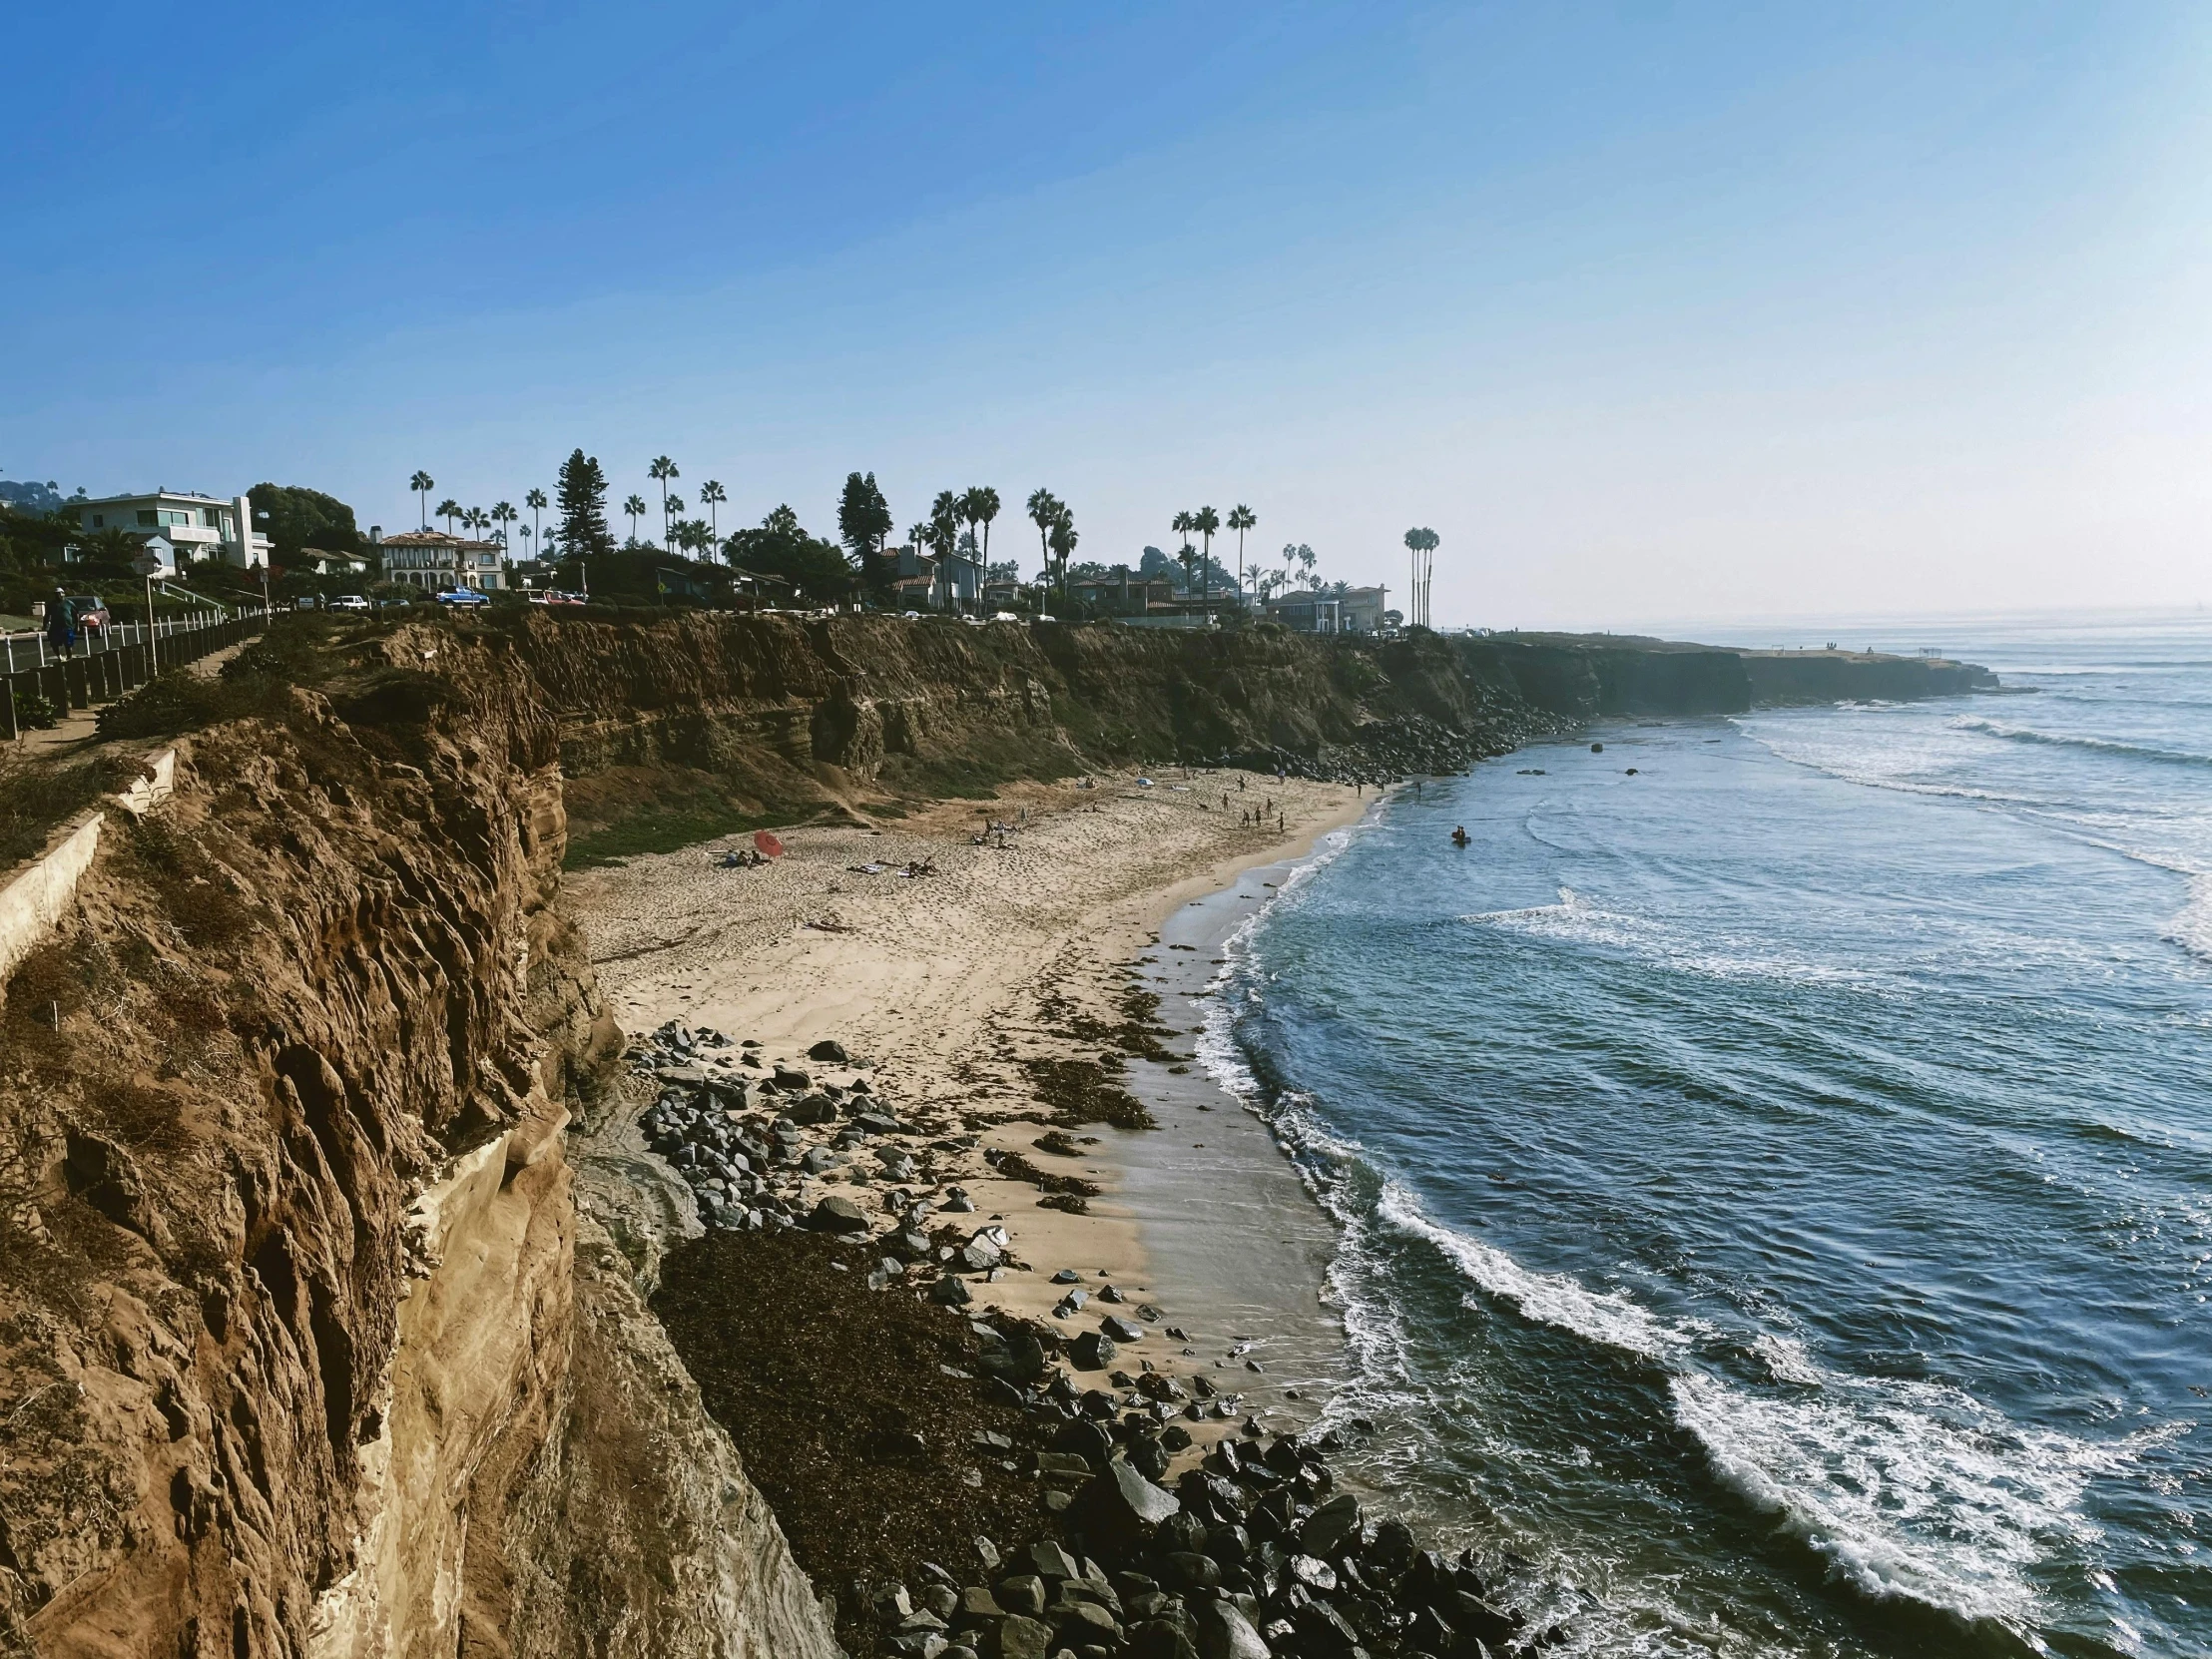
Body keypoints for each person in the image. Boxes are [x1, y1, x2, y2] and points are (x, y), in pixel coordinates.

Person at [44, 589, 76, 661]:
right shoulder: (51, 604)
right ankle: (59, 657)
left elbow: (75, 613)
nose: (57, 595)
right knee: (54, 643)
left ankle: (69, 658)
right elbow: (47, 615)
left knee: (68, 644)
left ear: (63, 594)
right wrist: (45, 625)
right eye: (56, 594)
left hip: (67, 626)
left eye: (59, 593)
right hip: (55, 627)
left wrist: (76, 625)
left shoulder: (69, 603)